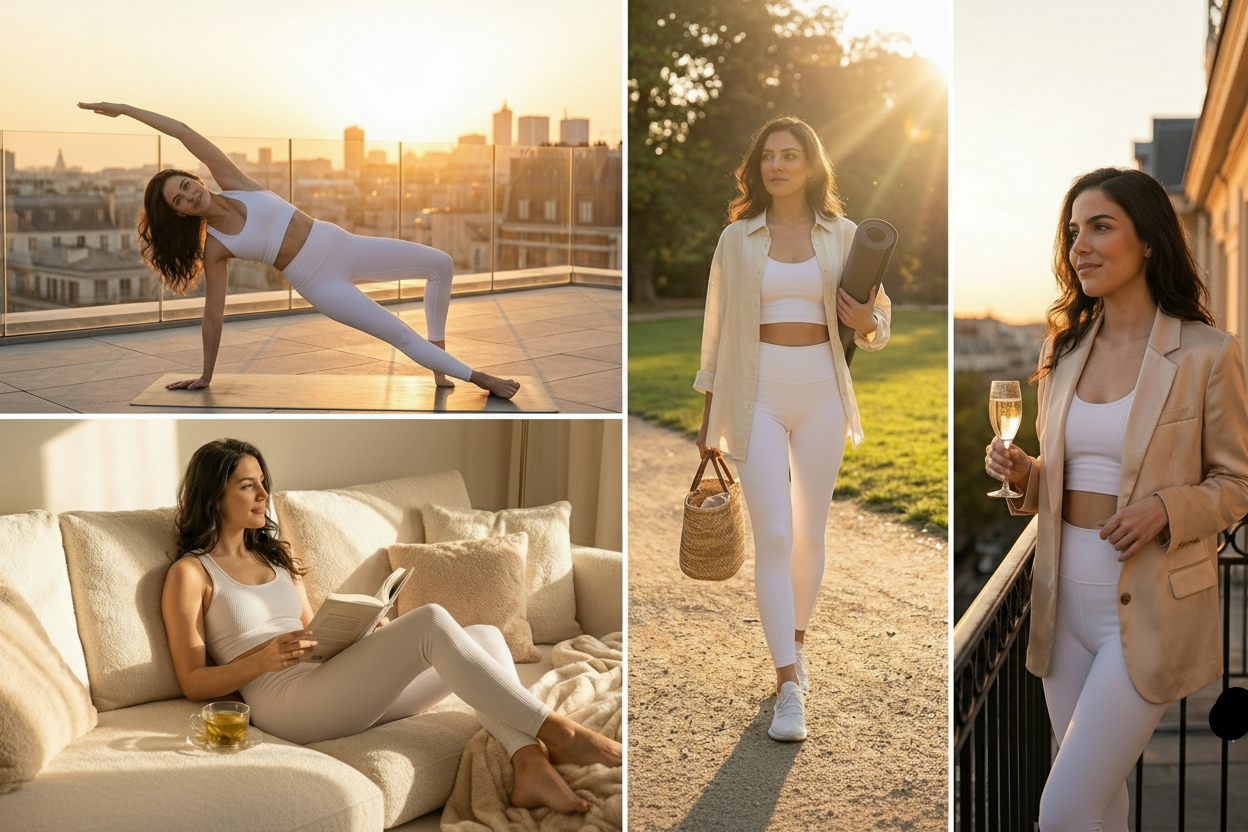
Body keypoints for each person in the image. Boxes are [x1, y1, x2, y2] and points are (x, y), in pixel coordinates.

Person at [984, 167, 1248, 831]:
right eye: (1074, 231)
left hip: (1147, 612)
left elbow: (1238, 484)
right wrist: (1025, 475)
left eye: (1101, 226)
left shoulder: (1207, 355)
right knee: (1104, 804)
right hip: (1060, 605)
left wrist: (1167, 510)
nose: (1081, 245)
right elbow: (1070, 478)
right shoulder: (1064, 350)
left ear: (1150, 240)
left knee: (1063, 809)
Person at [160, 438, 619, 813]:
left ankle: (530, 763)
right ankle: (560, 732)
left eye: (263, 483)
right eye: (247, 486)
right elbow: (193, 682)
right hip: (285, 704)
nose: (263, 495)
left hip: (330, 685)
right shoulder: (191, 573)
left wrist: (360, 635)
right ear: (214, 496)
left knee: (485, 636)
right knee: (431, 620)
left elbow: (313, 634)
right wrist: (260, 659)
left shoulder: (277, 558)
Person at [78, 102, 519, 400]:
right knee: (399, 335)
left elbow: (182, 132)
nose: (190, 195)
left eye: (186, 185)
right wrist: (207, 374)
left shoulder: (235, 181)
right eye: (179, 199)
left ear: (196, 178)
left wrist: (124, 110)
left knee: (439, 264)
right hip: (319, 282)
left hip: (343, 245)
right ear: (177, 214)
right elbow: (213, 315)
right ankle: (480, 379)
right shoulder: (216, 247)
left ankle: (440, 360)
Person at [693, 116, 891, 742]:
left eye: (790, 155)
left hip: (823, 392)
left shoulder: (845, 234)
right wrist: (708, 416)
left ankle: (797, 644)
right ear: (758, 168)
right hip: (756, 393)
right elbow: (716, 328)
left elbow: (879, 321)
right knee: (774, 534)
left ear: (811, 165)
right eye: (768, 156)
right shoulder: (736, 238)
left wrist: (867, 320)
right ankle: (788, 685)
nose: (778, 165)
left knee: (810, 531)